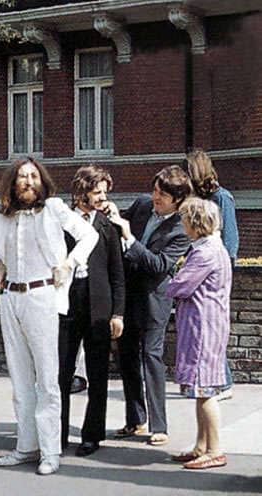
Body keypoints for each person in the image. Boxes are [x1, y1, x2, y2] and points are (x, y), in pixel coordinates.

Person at [0, 157, 98, 475]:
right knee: (20, 377)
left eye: (33, 175)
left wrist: (69, 263)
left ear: (42, 180)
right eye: (21, 176)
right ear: (13, 182)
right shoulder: (2, 211)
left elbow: (88, 236)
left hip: (43, 296)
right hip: (11, 297)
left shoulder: (53, 208)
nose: (27, 181)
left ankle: (50, 451)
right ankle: (26, 446)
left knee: (48, 380)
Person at [109, 165, 192, 445]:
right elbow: (118, 222)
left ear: (177, 200)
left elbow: (159, 266)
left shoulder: (181, 229)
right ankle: (135, 420)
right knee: (127, 356)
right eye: (155, 191)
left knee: (152, 358)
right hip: (128, 295)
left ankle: (160, 426)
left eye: (162, 195)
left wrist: (130, 239)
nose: (155, 198)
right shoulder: (143, 205)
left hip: (154, 299)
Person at [59, 164, 125, 457]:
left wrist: (118, 313)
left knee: (98, 375)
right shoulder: (61, 223)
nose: (101, 197)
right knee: (61, 374)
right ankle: (56, 434)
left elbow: (117, 273)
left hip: (99, 306)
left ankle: (91, 435)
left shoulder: (107, 225)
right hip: (66, 305)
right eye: (96, 192)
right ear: (80, 192)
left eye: (104, 192)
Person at [167, 197, 232, 469]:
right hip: (205, 324)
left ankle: (215, 449)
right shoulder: (210, 247)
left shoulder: (205, 253)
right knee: (200, 388)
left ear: (195, 222)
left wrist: (171, 279)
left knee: (205, 389)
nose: (181, 223)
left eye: (184, 218)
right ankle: (201, 445)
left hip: (203, 326)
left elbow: (180, 286)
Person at [184, 149, 239, 401]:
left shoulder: (222, 198)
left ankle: (223, 382)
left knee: (213, 329)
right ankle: (217, 381)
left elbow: (229, 241)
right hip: (202, 266)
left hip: (215, 271)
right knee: (206, 331)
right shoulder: (196, 199)